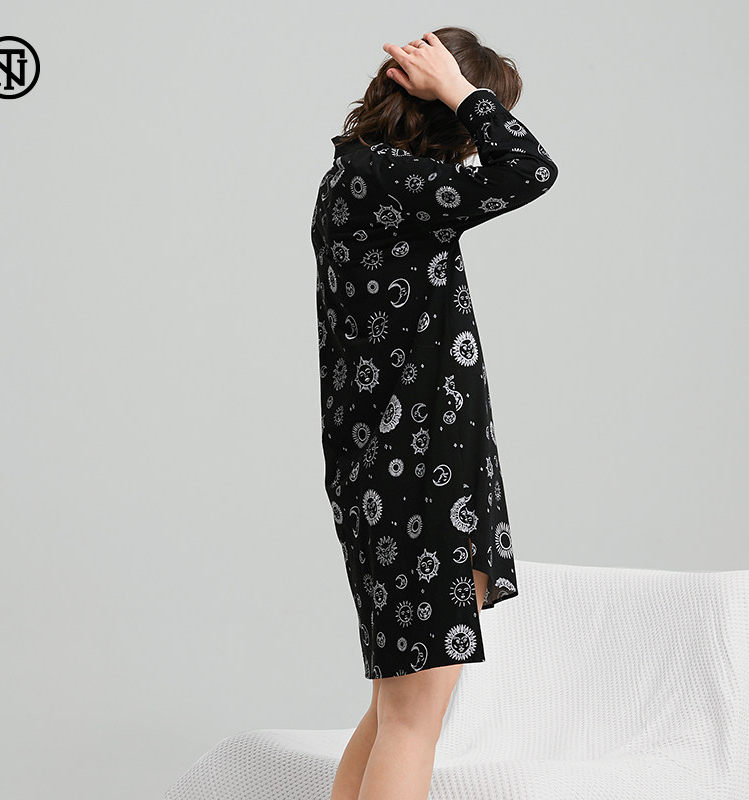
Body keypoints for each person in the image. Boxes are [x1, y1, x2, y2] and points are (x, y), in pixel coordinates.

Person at [310, 26, 559, 800]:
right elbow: (531, 169)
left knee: (396, 711)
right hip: (417, 473)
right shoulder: (391, 184)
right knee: (413, 720)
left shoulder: (360, 176)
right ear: (444, 111)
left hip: (398, 470)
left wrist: (455, 92)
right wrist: (459, 88)